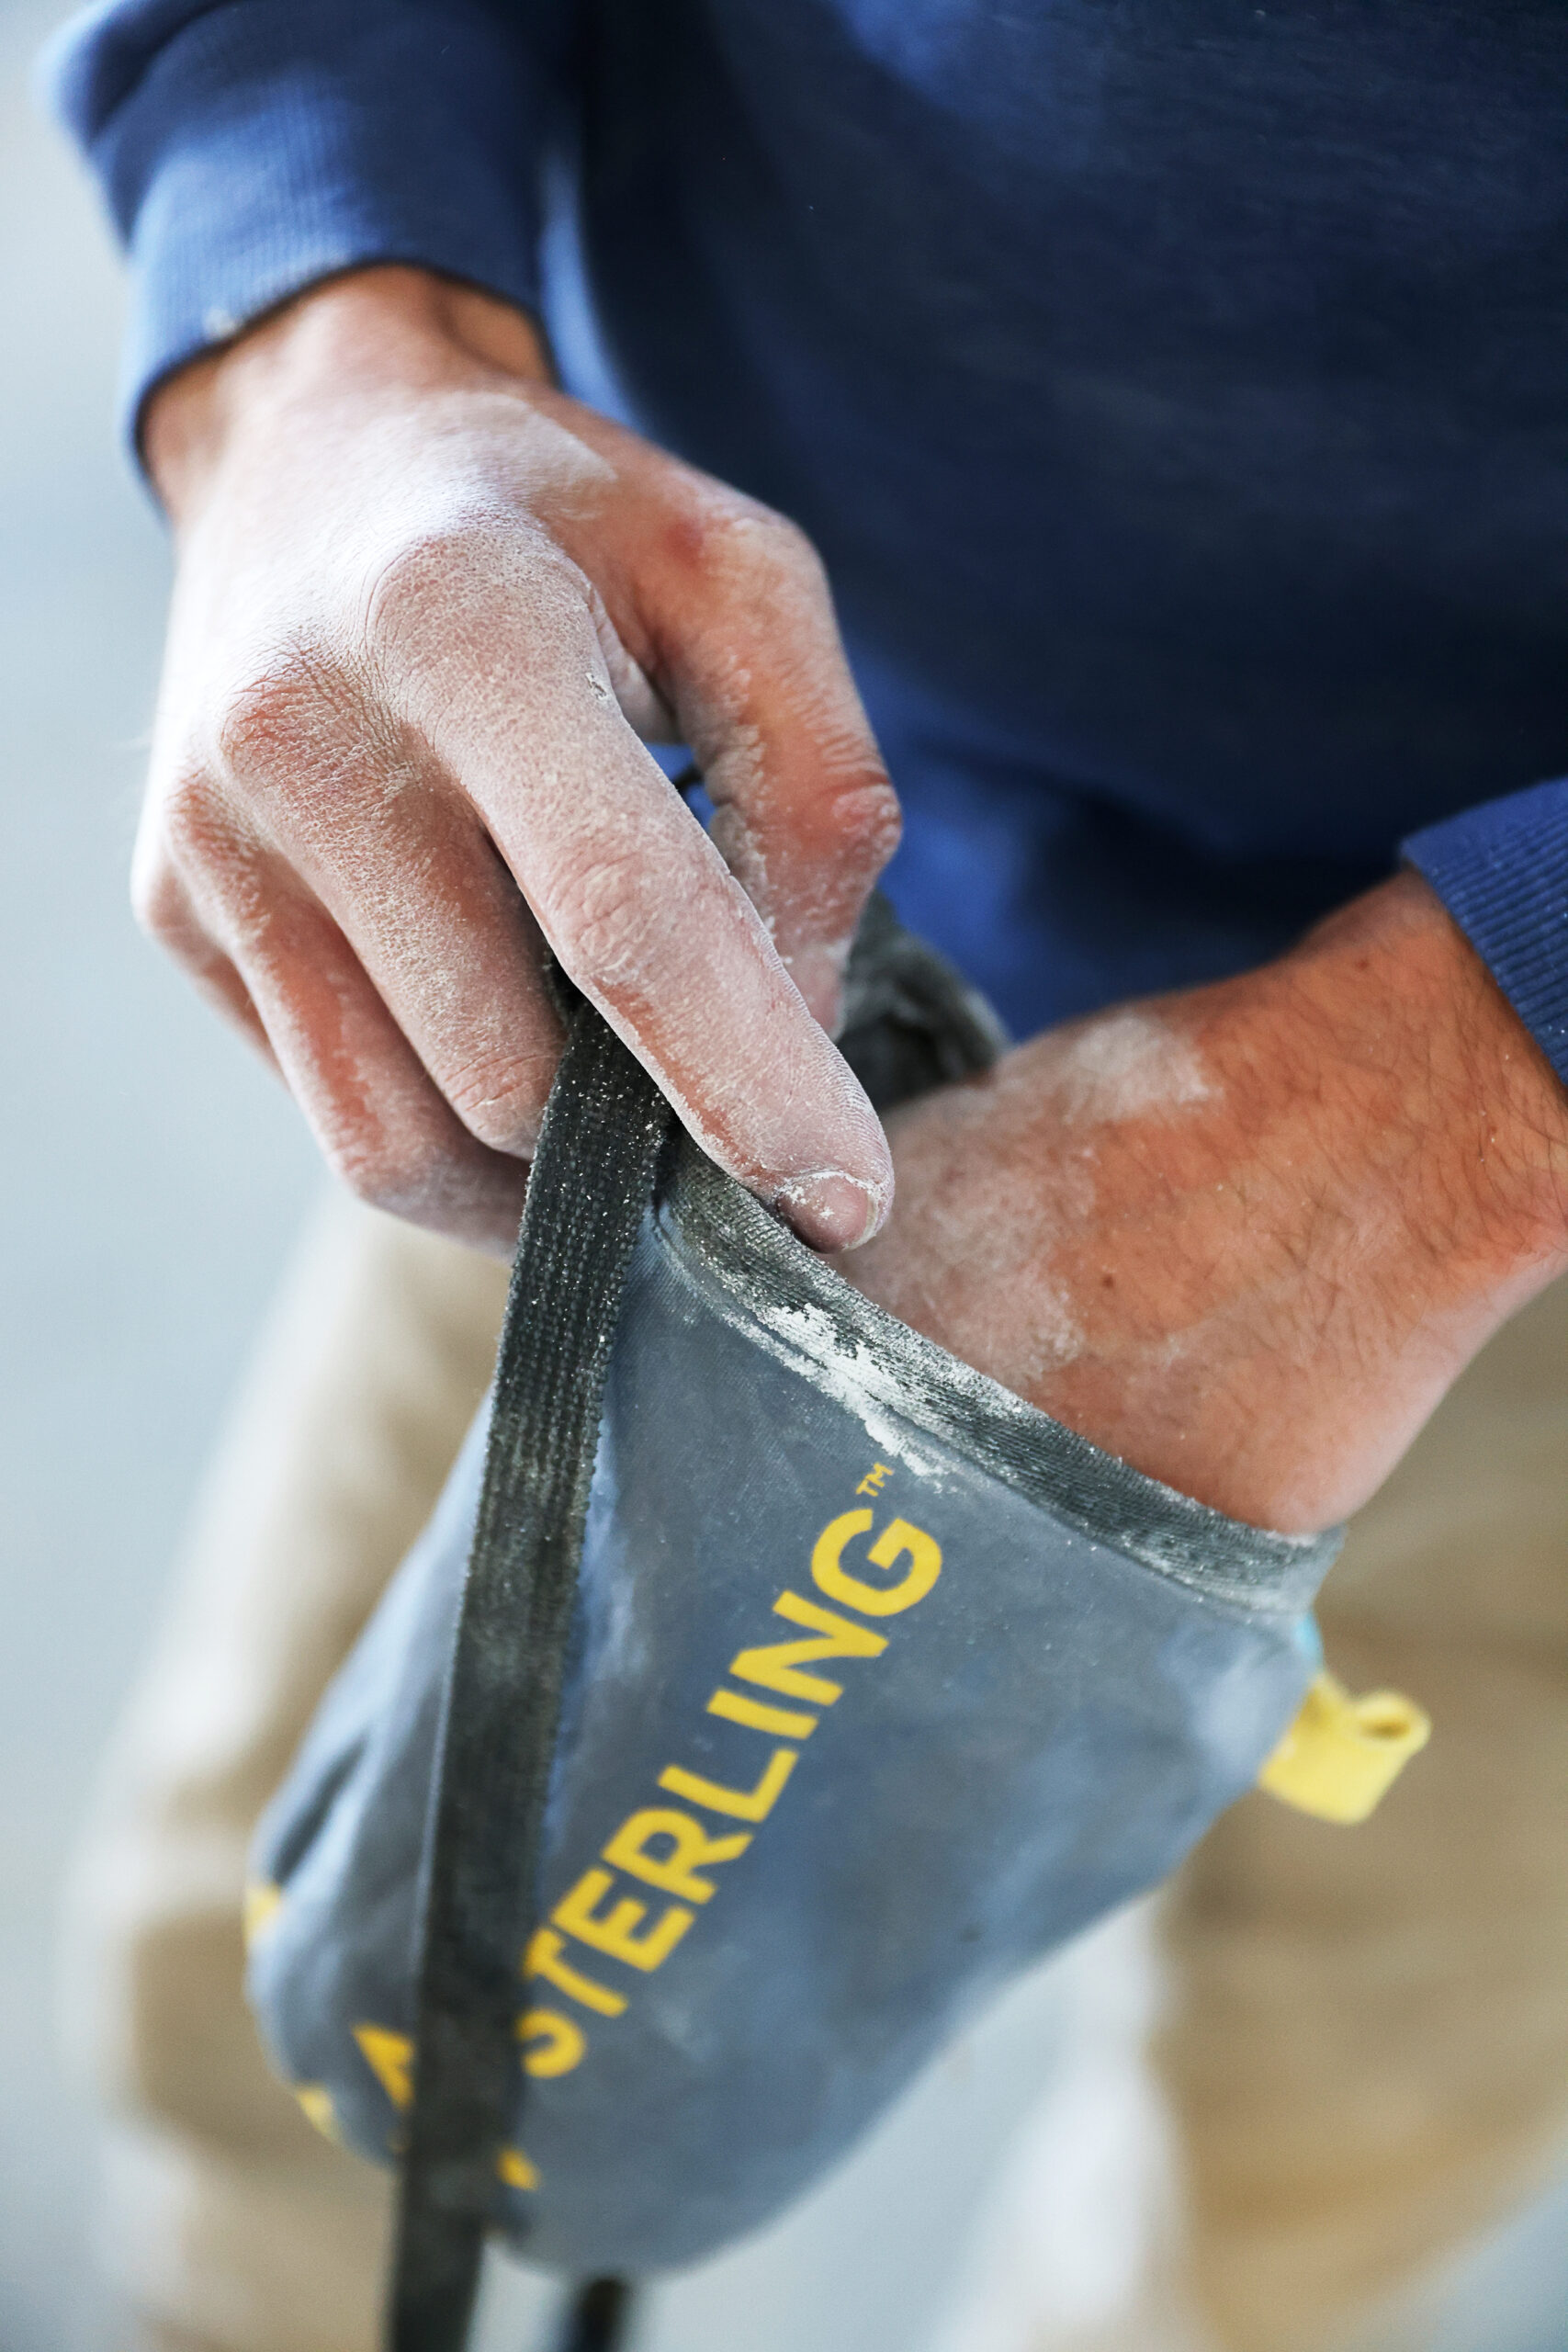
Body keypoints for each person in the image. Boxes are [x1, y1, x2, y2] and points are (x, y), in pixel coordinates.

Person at [45, 3, 1568, 2347]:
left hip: (1528, 1315)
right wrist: (316, 320)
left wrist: (1476, 1095)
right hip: (686, 964)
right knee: (326, 2027)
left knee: (1295, 2190)